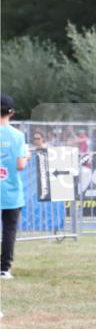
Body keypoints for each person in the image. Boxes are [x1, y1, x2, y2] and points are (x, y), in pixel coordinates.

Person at [1, 95, 29, 280]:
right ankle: (4, 268)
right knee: (9, 230)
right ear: (12, 112)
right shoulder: (18, 135)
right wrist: (27, 158)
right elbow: (20, 165)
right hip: (11, 191)